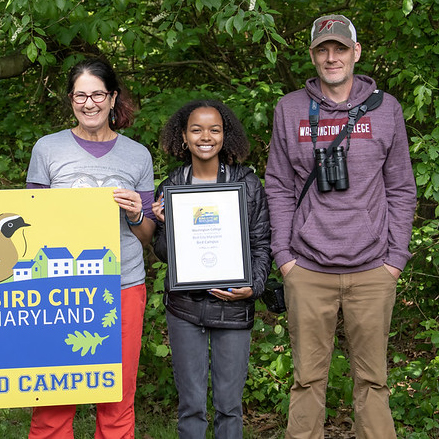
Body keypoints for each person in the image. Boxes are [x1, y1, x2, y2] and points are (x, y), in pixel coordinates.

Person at [264, 14, 417, 439]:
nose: (332, 57)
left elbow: (402, 187)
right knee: (308, 380)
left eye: (340, 49)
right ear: (312, 55)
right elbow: (277, 185)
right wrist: (284, 257)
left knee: (373, 381)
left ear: (356, 53)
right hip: (308, 268)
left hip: (373, 269)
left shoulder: (386, 109)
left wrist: (395, 259)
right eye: (322, 49)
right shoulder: (290, 108)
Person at [26, 58, 156, 439]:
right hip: (59, 288)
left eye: (98, 94)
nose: (89, 103)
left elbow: (147, 234)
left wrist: (135, 214)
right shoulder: (47, 150)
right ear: (71, 100)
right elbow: (32, 225)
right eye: (80, 95)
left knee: (116, 396)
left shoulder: (137, 155)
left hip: (123, 285)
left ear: (113, 98)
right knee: (52, 396)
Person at [151, 100, 271, 438]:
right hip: (184, 308)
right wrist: (165, 224)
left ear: (225, 135)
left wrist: (255, 287)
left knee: (230, 408)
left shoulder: (246, 184)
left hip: (233, 305)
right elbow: (163, 254)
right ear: (184, 137)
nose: (206, 136)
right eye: (197, 129)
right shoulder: (172, 185)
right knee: (191, 407)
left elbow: (261, 243)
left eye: (214, 129)